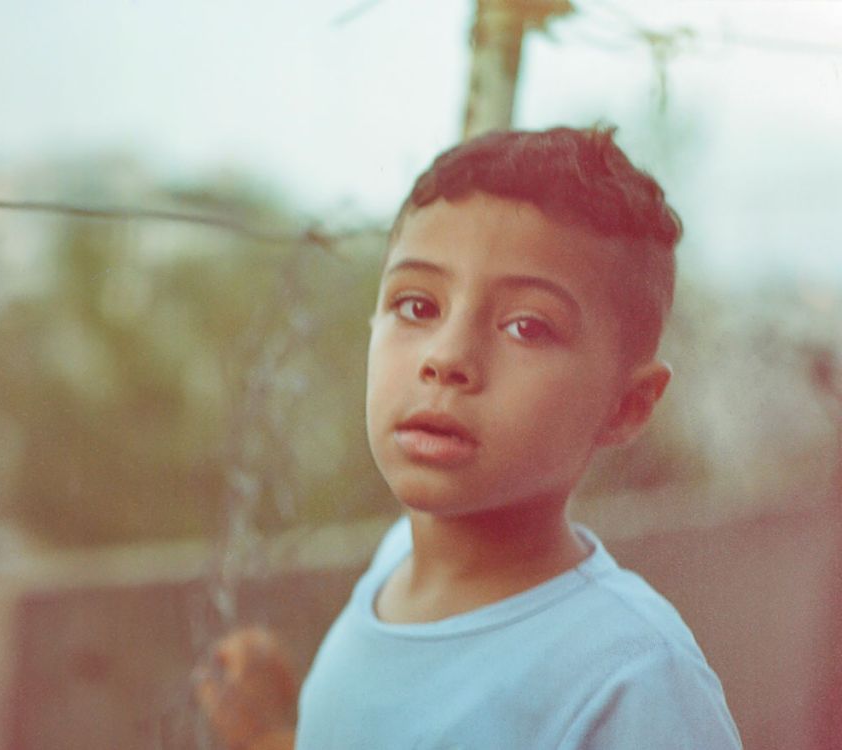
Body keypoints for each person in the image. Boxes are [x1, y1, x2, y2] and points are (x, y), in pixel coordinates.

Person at [194, 126, 743, 749]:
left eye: (527, 326)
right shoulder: (393, 563)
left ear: (626, 405)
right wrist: (273, 737)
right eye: (417, 307)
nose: (446, 358)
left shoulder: (630, 678)